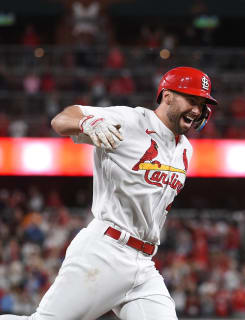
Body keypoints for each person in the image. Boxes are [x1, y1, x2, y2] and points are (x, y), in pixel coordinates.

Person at [0, 66, 217, 320]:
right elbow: (61, 120)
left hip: (144, 263)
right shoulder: (130, 120)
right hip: (106, 250)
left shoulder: (185, 149)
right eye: (192, 100)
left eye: (202, 104)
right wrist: (86, 123)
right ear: (167, 95)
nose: (197, 109)